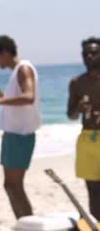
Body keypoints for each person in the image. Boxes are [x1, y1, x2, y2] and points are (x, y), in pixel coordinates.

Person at [0, 35, 41, 219]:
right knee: (11, 186)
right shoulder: (17, 72)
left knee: (14, 186)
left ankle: (29, 225)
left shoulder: (23, 69)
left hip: (20, 136)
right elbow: (21, 99)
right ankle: (25, 224)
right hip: (15, 135)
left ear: (5, 52)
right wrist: (2, 96)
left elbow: (29, 96)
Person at [67, 37, 100, 221]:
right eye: (86, 53)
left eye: (94, 53)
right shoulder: (77, 83)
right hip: (88, 138)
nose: (89, 56)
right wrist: (78, 110)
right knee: (93, 191)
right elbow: (70, 115)